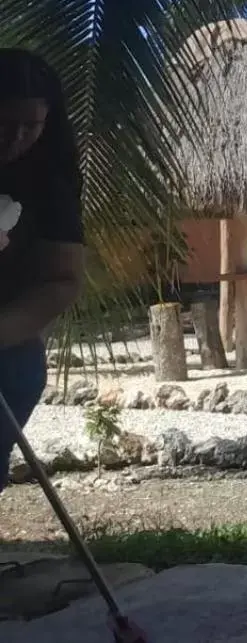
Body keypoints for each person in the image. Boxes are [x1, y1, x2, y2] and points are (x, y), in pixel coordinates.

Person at [0, 50, 85, 492]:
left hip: (8, 354)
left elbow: (62, 281)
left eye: (30, 126)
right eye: (3, 122)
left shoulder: (49, 187)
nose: (15, 138)